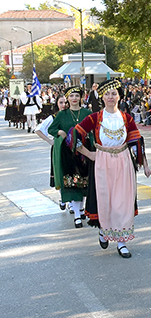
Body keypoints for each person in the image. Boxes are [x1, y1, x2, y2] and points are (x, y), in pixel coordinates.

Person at [72, 79, 151, 258]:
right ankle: (104, 230)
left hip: (123, 161)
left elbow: (136, 142)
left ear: (119, 96)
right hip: (102, 161)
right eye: (107, 94)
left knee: (123, 201)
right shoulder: (95, 117)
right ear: (101, 97)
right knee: (105, 200)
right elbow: (74, 135)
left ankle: (122, 242)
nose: (110, 97)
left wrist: (145, 165)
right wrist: (88, 153)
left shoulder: (126, 118)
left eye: (114, 93)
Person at [46, 87, 92, 225]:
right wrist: (60, 132)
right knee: (73, 183)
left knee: (84, 182)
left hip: (85, 152)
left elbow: (94, 129)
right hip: (68, 153)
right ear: (67, 98)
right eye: (71, 96)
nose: (74, 98)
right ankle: (77, 215)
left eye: (77, 95)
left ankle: (81, 209)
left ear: (81, 97)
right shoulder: (62, 114)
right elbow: (51, 129)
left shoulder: (87, 113)